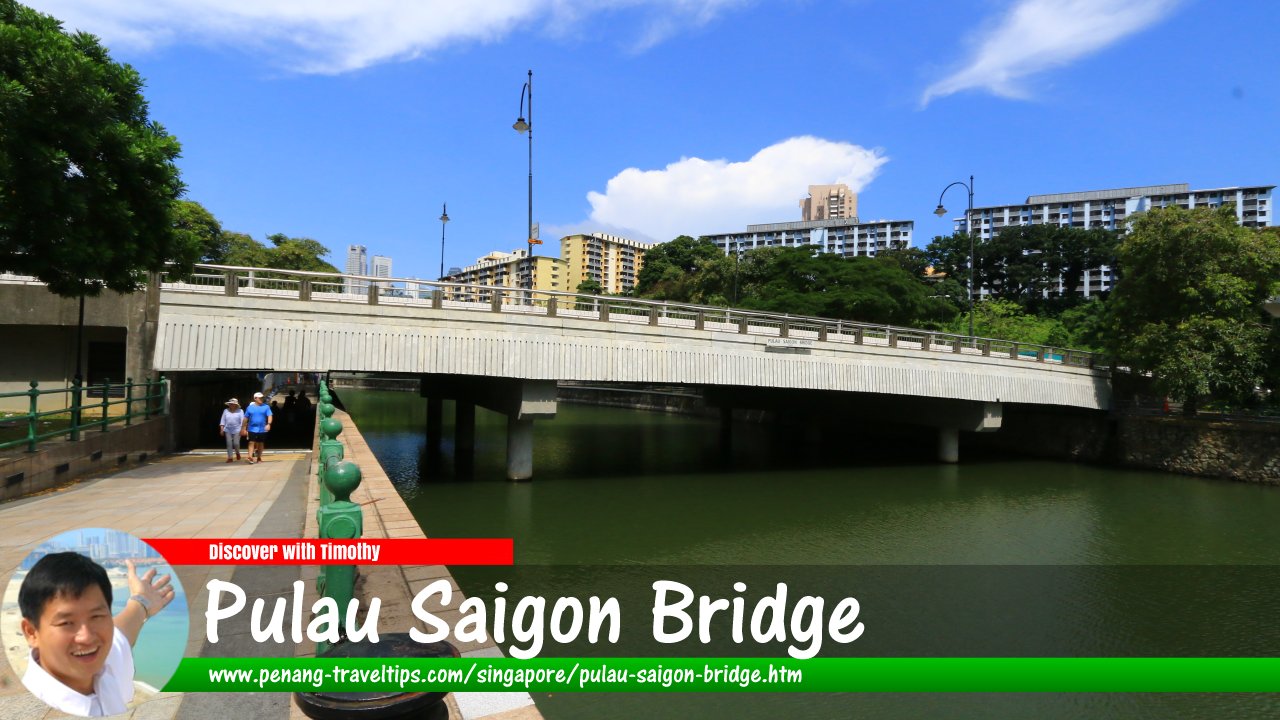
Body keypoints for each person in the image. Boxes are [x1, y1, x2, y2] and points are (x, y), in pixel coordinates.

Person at [19, 552, 175, 717]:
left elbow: (120, 635)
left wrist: (142, 601)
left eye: (96, 616)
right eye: (66, 623)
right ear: (31, 632)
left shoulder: (103, 665)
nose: (86, 637)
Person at [244, 391, 273, 464]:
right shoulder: (249, 408)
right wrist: (243, 427)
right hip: (252, 428)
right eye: (259, 398)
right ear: (255, 398)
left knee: (260, 443)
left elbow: (269, 415)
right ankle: (250, 457)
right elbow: (246, 418)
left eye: (262, 398)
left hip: (262, 429)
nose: (261, 399)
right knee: (251, 442)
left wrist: (269, 424)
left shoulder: (266, 407)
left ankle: (259, 457)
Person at [219, 398, 245, 462]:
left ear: (236, 405)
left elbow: (243, 421)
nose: (231, 405)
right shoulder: (225, 410)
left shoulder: (240, 411)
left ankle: (237, 452)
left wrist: (243, 429)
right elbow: (222, 420)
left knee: (236, 443)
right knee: (229, 443)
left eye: (233, 404)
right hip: (228, 429)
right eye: (230, 404)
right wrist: (222, 429)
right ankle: (230, 457)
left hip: (237, 429)